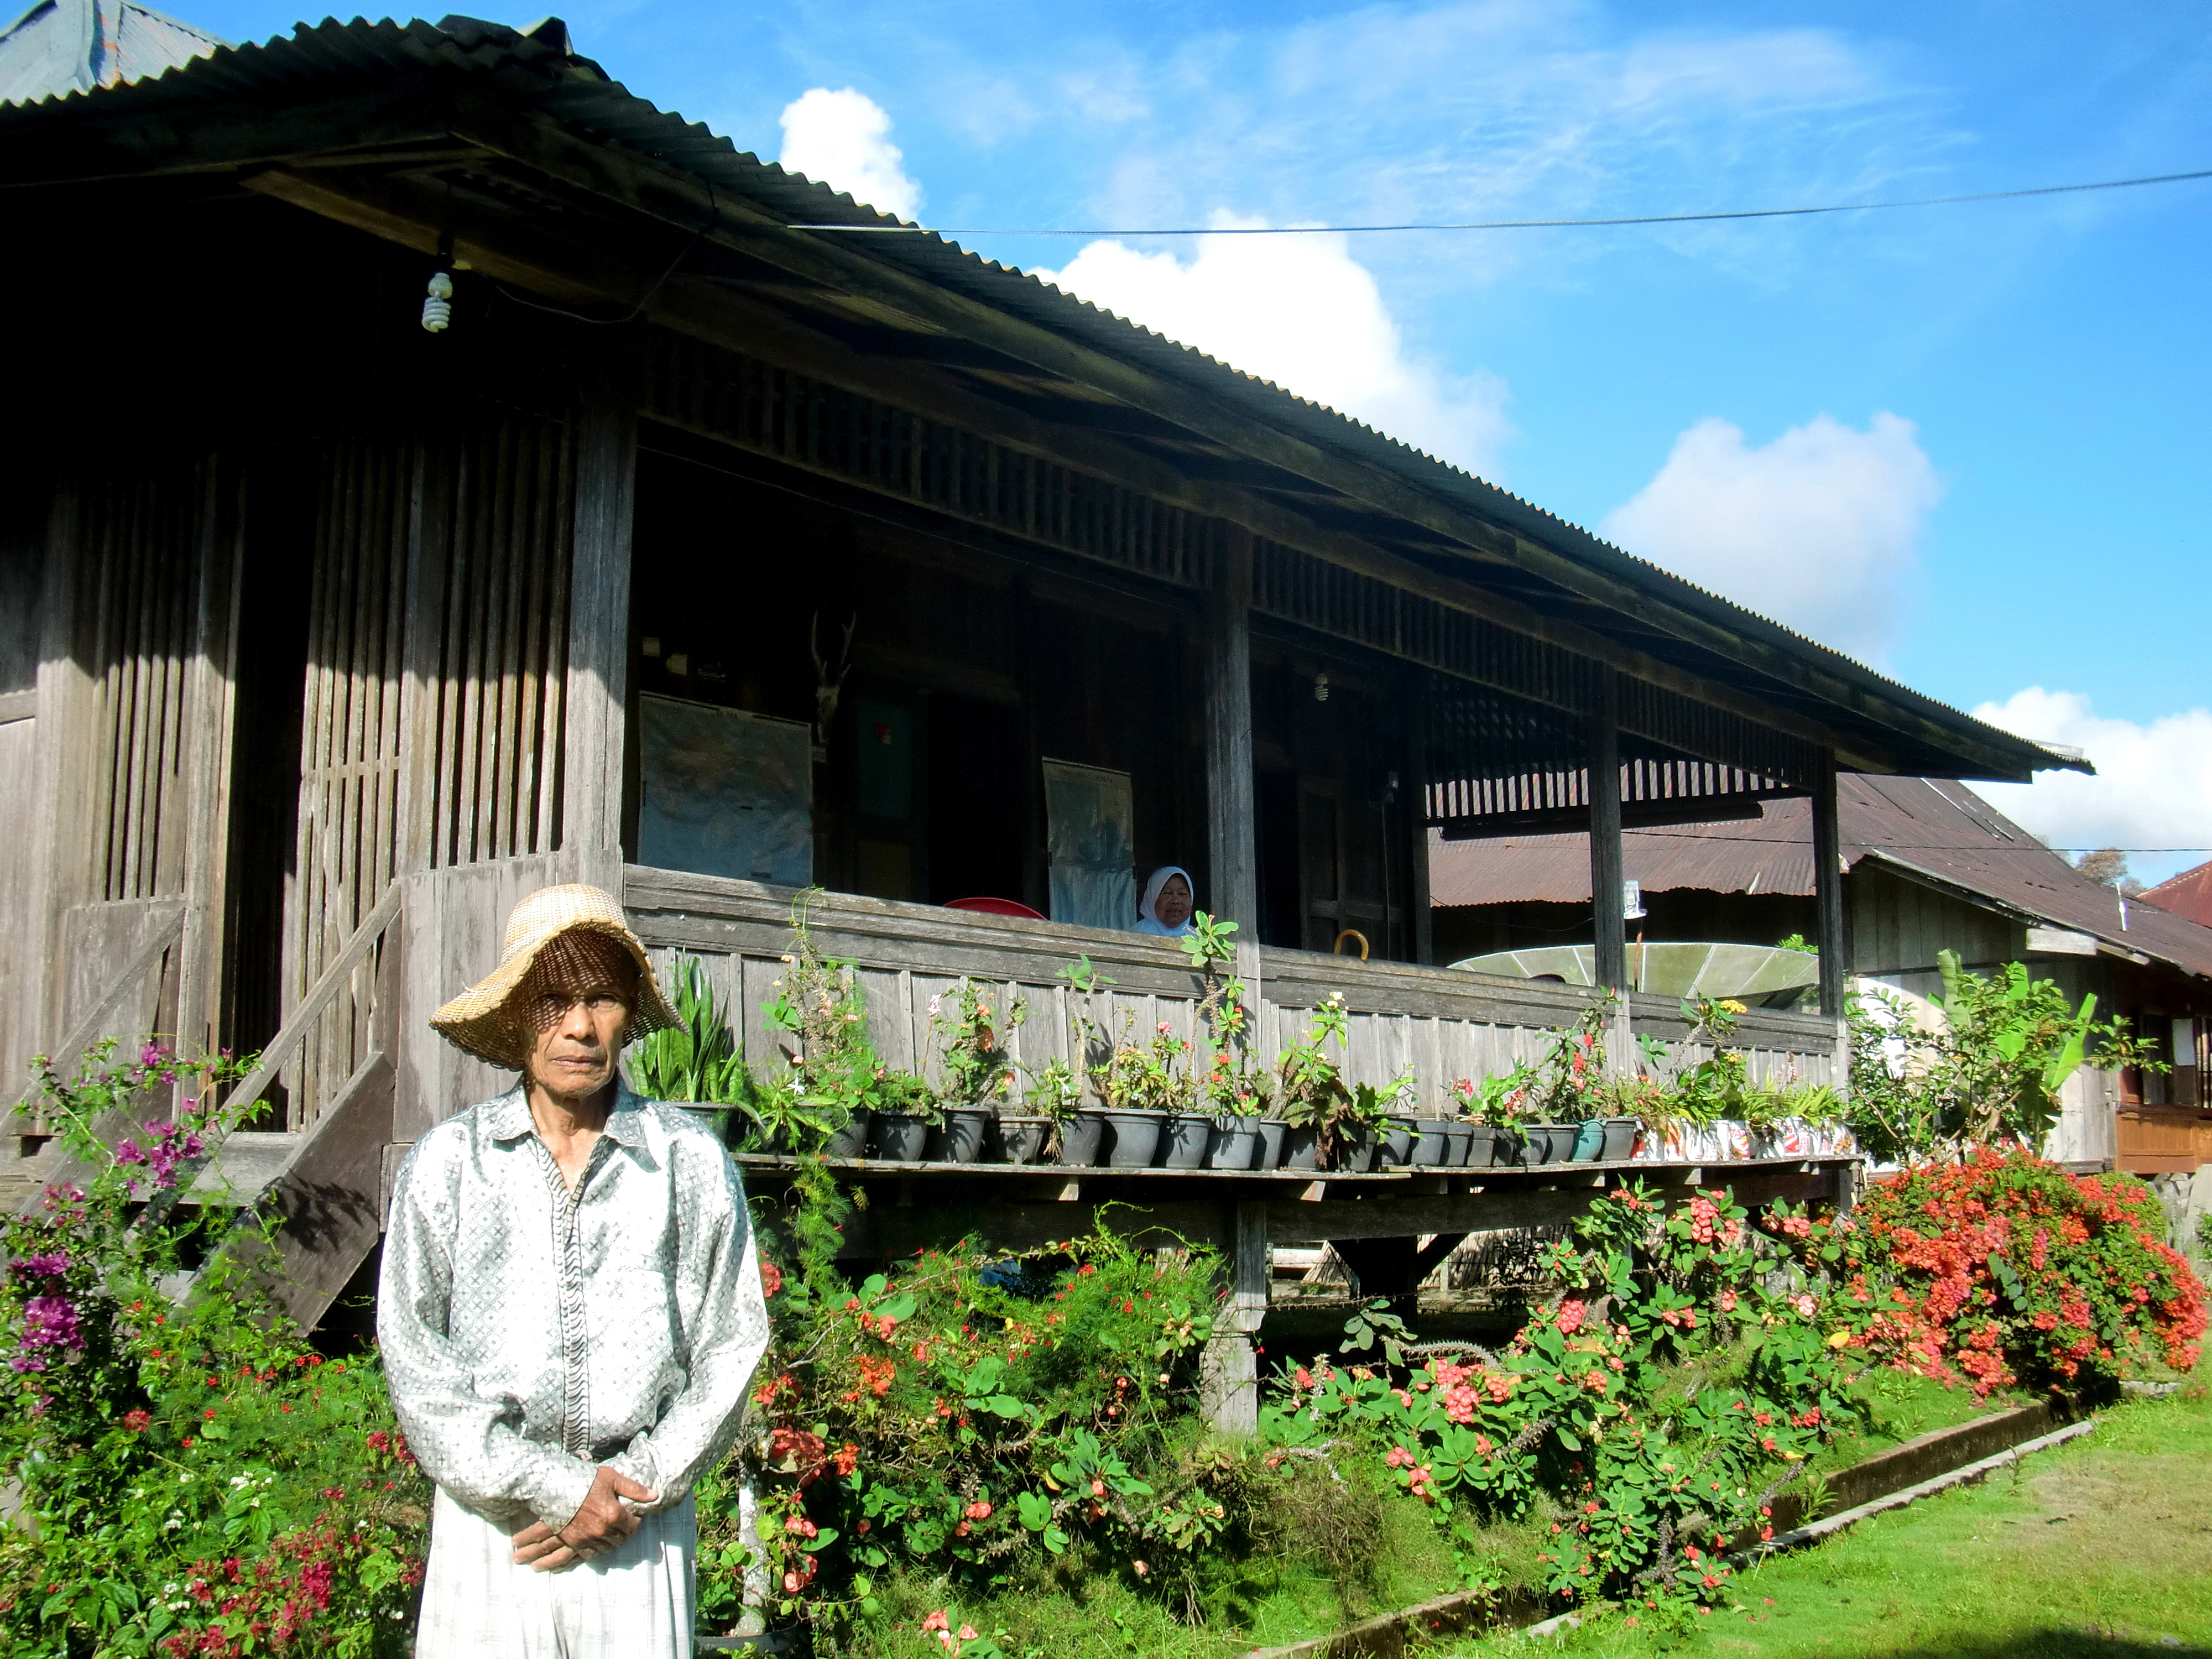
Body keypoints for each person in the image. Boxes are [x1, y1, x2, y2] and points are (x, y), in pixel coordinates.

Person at [380, 884, 771, 1659]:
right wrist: (551, 1488)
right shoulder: (449, 1164)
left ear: (628, 1013)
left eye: (601, 999)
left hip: (636, 1523)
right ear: (514, 1014)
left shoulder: (687, 1161)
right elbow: (415, 1354)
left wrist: (630, 1487)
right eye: (552, 1001)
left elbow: (732, 1344)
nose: (580, 1027)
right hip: (496, 1524)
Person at [1133, 865, 1197, 937]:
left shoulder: (1199, 939)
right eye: (1168, 893)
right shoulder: (1135, 936)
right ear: (1152, 899)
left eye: (1182, 894)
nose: (1176, 901)